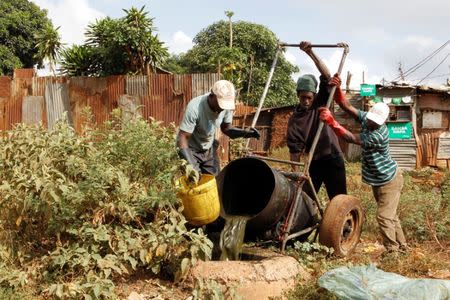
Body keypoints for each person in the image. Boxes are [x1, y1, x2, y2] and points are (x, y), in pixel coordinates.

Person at [319, 74, 408, 253]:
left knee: (384, 217)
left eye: (375, 122)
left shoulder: (378, 135)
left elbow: (351, 138)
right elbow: (347, 106)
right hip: (379, 179)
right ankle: (403, 247)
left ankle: (393, 252)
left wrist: (331, 122)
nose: (370, 122)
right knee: (391, 217)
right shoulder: (369, 118)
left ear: (381, 122)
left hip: (389, 180)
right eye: (370, 119)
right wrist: (338, 89)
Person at [286, 41, 347, 200]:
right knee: (304, 200)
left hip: (333, 157)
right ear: (298, 96)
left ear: (314, 96)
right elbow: (294, 152)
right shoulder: (295, 121)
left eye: (309, 97)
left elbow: (327, 76)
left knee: (338, 200)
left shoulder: (321, 102)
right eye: (303, 97)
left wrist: (310, 52)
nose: (306, 101)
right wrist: (296, 174)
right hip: (314, 162)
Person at [177, 79, 260, 179]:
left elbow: (226, 128)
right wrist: (191, 166)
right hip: (191, 150)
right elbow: (183, 137)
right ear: (211, 96)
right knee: (194, 182)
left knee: (216, 181)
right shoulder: (195, 107)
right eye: (220, 105)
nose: (222, 109)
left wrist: (246, 133)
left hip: (208, 149)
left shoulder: (225, 108)